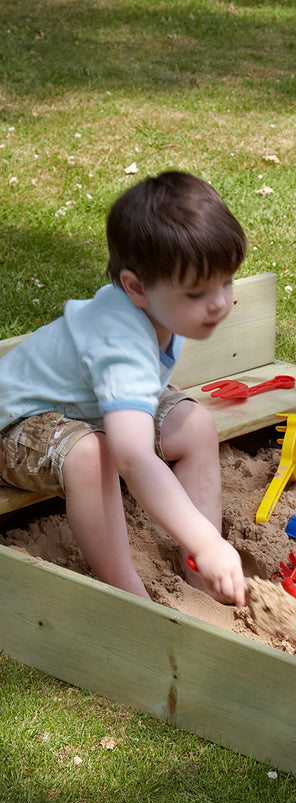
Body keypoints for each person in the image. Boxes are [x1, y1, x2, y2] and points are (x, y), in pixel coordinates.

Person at [0, 171, 247, 606]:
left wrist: (203, 544)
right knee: (97, 455)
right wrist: (210, 543)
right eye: (197, 293)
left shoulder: (167, 308)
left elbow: (135, 389)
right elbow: (132, 458)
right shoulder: (121, 342)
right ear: (135, 288)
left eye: (225, 283)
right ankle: (130, 598)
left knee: (195, 425)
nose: (218, 304)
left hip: (83, 407)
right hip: (17, 423)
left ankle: (201, 579)